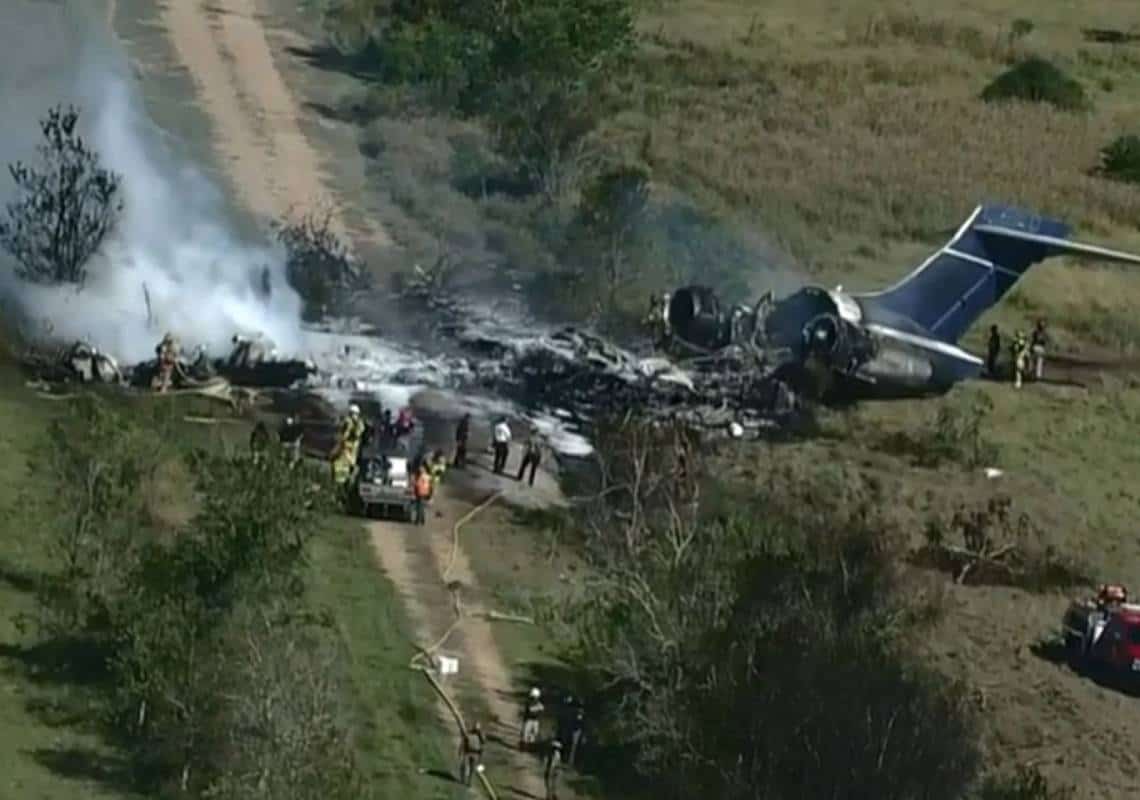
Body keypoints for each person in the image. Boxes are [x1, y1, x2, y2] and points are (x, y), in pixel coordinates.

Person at [458, 721, 485, 787]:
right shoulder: (469, 733)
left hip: (475, 753)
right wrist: (460, 750)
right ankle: (463, 779)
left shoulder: (480, 736)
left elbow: (483, 743)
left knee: (472, 769)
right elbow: (464, 741)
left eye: (477, 729)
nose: (476, 730)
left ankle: (469, 782)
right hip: (468, 752)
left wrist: (481, 754)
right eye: (475, 728)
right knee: (464, 765)